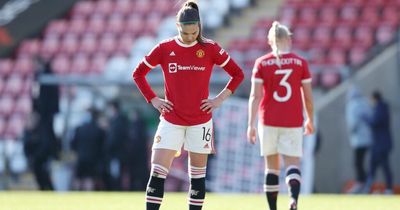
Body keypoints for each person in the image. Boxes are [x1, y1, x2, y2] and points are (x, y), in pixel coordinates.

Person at [132, 1, 244, 209]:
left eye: (194, 33)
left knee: (198, 178)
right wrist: (153, 99)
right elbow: (138, 74)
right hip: (171, 120)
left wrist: (219, 99)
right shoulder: (165, 48)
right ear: (178, 27)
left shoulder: (210, 48)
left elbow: (238, 74)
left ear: (199, 27)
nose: (191, 37)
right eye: (186, 33)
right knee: (157, 172)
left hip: (200, 122)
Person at [247, 21, 314, 210]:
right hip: (292, 120)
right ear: (288, 39)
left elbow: (255, 95)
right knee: (292, 163)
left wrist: (251, 124)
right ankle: (293, 199)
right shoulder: (300, 62)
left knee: (271, 167)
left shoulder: (261, 63)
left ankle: (273, 208)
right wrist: (310, 118)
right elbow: (308, 97)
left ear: (271, 41)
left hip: (268, 119)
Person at [362, 90, 393, 194]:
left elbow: (374, 122)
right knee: (373, 167)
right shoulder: (381, 108)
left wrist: (365, 118)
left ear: (375, 98)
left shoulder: (381, 108)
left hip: (381, 145)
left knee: (383, 167)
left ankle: (388, 189)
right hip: (379, 144)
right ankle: (368, 188)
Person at [71, 108, 106, 191]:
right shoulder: (99, 130)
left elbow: (73, 144)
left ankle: (77, 197)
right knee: (89, 179)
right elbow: (103, 146)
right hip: (93, 159)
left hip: (81, 157)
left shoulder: (79, 129)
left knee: (78, 178)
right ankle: (88, 197)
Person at [345, 86, 372, 193]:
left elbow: (353, 123)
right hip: (368, 138)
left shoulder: (352, 105)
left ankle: (362, 183)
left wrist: (352, 132)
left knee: (358, 162)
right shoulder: (366, 103)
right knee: (365, 162)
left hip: (358, 139)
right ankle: (365, 183)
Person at [22, 112, 54, 190]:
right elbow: (25, 147)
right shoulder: (27, 133)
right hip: (33, 161)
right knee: (38, 180)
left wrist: (37, 156)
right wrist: (30, 158)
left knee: (45, 179)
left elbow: (45, 146)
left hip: (42, 160)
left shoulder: (42, 131)